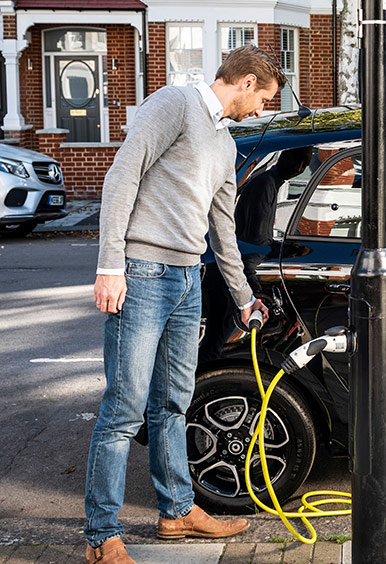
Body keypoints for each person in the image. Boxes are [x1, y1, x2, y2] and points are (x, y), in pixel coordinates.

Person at [86, 46, 280, 564]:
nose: (262, 109)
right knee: (124, 410)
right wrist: (110, 266)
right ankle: (101, 537)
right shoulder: (173, 104)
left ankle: (177, 511)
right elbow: (120, 177)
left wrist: (242, 298)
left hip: (188, 278)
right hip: (142, 274)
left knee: (173, 402)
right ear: (244, 81)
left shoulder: (224, 139)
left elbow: (224, 227)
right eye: (264, 98)